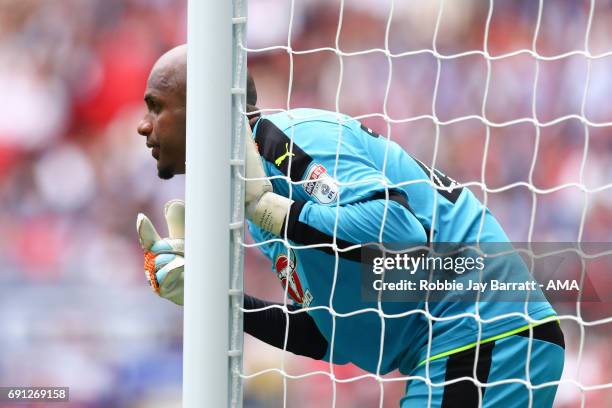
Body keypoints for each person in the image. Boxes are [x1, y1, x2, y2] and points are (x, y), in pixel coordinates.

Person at [135, 45, 565, 407]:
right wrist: (217, 297)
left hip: (485, 331)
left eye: (156, 106)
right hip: (467, 344)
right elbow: (330, 333)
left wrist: (272, 211)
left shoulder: (284, 142)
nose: (143, 125)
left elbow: (398, 233)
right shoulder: (258, 189)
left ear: (206, 109)